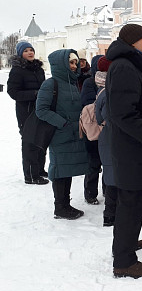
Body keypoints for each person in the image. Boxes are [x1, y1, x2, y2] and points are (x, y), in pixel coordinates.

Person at [106, 23, 142, 278]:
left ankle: (126, 245)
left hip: (132, 146)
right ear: (132, 42)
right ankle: (125, 262)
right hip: (132, 147)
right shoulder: (124, 67)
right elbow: (123, 113)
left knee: (133, 202)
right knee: (131, 204)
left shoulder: (128, 65)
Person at [96, 56, 142, 228]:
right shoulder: (107, 94)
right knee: (114, 176)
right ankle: (110, 214)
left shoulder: (108, 91)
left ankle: (137, 211)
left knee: (123, 177)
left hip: (117, 136)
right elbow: (106, 116)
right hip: (114, 137)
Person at [36, 49, 89, 219]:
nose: (74, 66)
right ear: (61, 64)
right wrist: (63, 124)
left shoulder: (72, 83)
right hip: (60, 135)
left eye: (75, 63)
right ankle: (60, 207)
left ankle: (65, 204)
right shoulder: (50, 84)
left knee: (68, 169)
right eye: (71, 63)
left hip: (74, 134)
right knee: (59, 169)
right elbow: (41, 110)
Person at [7, 41, 48, 184]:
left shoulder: (39, 69)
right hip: (26, 112)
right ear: (20, 53)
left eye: (31, 50)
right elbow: (13, 92)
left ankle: (40, 170)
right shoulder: (17, 70)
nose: (30, 52)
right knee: (30, 142)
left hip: (41, 110)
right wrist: (35, 94)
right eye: (26, 51)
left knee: (42, 140)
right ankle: (31, 175)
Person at [79, 54, 105, 205]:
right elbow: (87, 102)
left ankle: (108, 191)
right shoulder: (89, 82)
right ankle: (90, 193)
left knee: (108, 164)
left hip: (106, 128)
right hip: (93, 129)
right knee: (93, 164)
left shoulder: (111, 81)